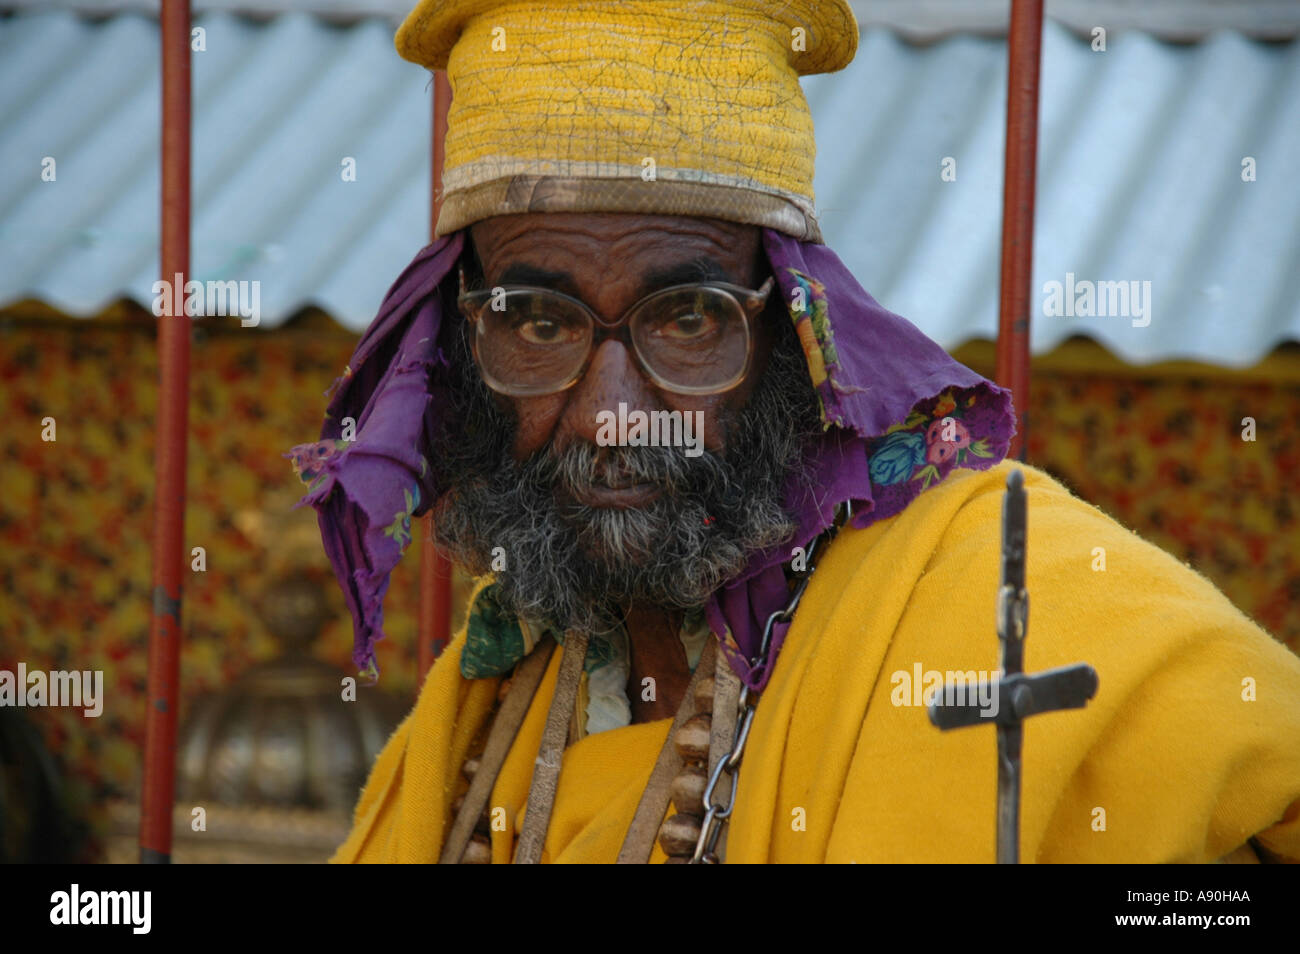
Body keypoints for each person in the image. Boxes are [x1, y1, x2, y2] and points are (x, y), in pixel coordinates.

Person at [289, 0, 1300, 863]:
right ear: (461, 352)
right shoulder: (494, 680)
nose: (608, 413)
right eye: (538, 322)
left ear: (795, 329)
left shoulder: (1029, 604)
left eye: (687, 319)